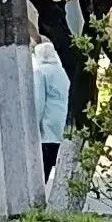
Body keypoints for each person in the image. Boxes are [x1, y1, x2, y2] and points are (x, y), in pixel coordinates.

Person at [33, 41, 70, 180]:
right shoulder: (61, 72)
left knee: (43, 168)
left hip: (46, 124)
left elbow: (39, 101)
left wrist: (34, 125)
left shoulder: (40, 72)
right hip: (60, 121)